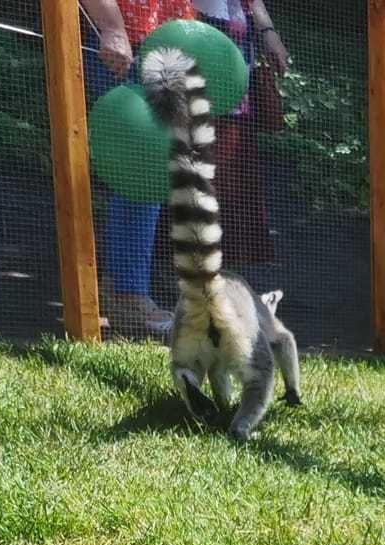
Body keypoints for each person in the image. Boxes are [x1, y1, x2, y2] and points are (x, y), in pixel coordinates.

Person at [78, 0, 196, 338]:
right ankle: (126, 295)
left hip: (161, 46)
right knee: (141, 167)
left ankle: (124, 289)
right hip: (123, 43)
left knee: (155, 167)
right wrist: (112, 27)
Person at [186, 0, 289, 284]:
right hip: (197, 84)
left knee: (233, 178)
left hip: (236, 84)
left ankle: (223, 272)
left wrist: (268, 30)